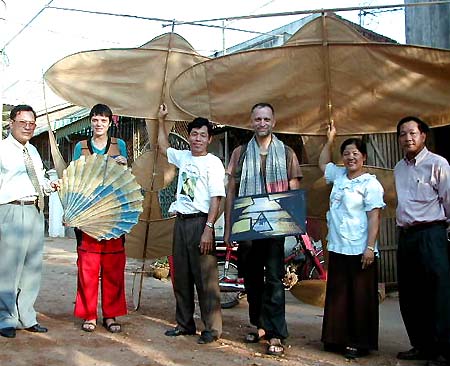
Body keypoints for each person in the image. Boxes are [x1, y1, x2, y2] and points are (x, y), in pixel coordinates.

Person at [223, 102, 302, 356]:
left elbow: (293, 189)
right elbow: (231, 193)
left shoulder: (287, 153)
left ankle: (276, 332)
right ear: (251, 122)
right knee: (253, 279)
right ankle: (260, 325)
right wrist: (228, 230)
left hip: (276, 227)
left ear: (274, 122)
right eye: (257, 119)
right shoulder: (240, 153)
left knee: (275, 279)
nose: (262, 123)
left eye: (266, 119)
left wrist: (294, 223)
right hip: (247, 225)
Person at [158, 103, 224, 344]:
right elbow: (163, 146)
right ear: (189, 136)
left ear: (209, 139)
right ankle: (184, 324)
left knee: (205, 280)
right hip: (181, 222)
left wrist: (209, 228)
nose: (197, 139)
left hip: (200, 224)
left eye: (202, 135)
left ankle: (213, 328)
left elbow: (217, 197)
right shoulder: (184, 157)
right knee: (181, 276)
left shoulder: (213, 163)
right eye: (194, 134)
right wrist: (163, 120)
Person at [318, 120, 385, 359]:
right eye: (346, 154)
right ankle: (335, 338)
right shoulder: (339, 175)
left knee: (360, 297)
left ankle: (359, 342)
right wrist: (330, 140)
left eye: (355, 153)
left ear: (363, 157)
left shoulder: (370, 183)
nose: (350, 157)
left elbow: (374, 217)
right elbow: (322, 163)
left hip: (360, 248)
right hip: (338, 246)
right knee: (338, 294)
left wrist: (370, 247)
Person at [394, 116, 450, 366]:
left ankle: (443, 351)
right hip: (406, 236)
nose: (408, 138)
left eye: (413, 133)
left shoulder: (438, 164)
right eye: (403, 134)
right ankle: (421, 345)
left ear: (423, 136)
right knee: (410, 294)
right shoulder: (398, 168)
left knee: (437, 293)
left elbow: (449, 201)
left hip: (432, 234)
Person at [0, 104, 59, 338]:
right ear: (11, 123)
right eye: (23, 122)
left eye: (31, 123)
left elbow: (40, 180)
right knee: (8, 268)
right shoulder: (2, 149)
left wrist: (50, 186)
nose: (28, 126)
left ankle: (26, 316)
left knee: (32, 267)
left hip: (34, 210)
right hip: (10, 211)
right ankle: (5, 318)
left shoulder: (33, 151)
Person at [72, 103, 128, 333]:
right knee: (88, 267)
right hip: (88, 216)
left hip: (114, 216)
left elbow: (126, 179)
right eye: (95, 120)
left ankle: (111, 315)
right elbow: (74, 176)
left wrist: (124, 164)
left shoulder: (119, 145)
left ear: (109, 123)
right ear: (90, 121)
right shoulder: (81, 147)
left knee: (113, 266)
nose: (99, 124)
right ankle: (89, 315)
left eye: (103, 120)